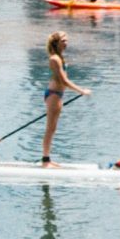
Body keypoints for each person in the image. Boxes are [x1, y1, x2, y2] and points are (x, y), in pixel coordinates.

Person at [41, 31, 92, 167]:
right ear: (56, 42)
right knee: (50, 128)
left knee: (53, 128)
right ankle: (45, 161)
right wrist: (82, 91)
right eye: (63, 40)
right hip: (53, 95)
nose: (66, 43)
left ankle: (48, 159)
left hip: (57, 95)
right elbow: (64, 81)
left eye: (67, 40)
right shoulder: (54, 59)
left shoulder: (59, 57)